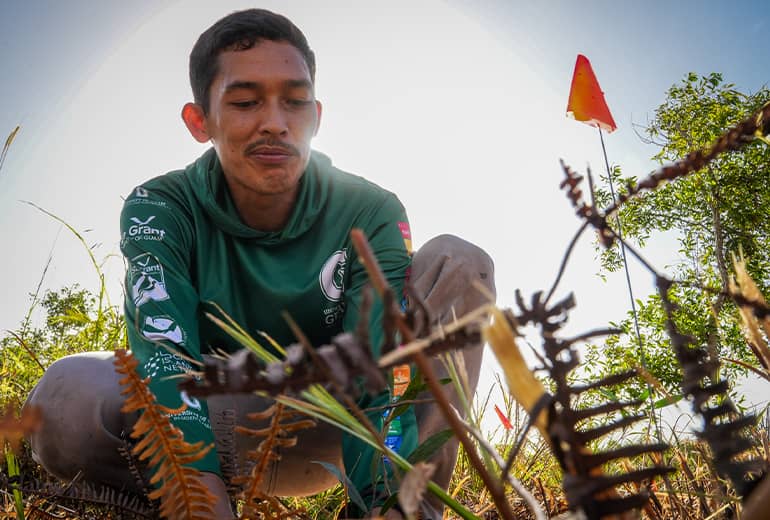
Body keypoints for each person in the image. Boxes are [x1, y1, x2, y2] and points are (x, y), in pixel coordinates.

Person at [25, 9, 495, 519]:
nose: (275, 122)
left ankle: (396, 509)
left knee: (460, 261)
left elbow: (379, 362)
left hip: (337, 424)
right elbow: (163, 349)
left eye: (294, 102)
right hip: (218, 419)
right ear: (198, 121)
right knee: (64, 397)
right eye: (246, 102)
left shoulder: (370, 209)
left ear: (316, 115)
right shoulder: (161, 206)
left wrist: (384, 499)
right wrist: (196, 495)